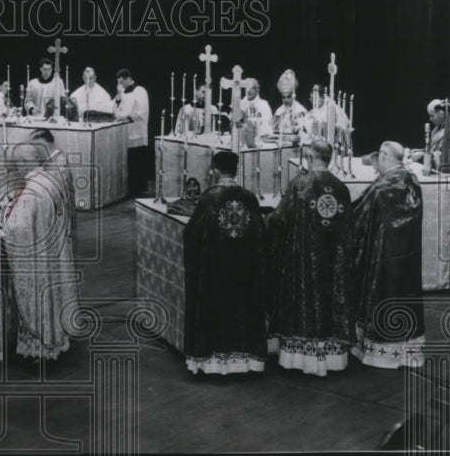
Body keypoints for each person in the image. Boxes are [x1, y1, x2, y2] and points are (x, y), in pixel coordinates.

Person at [265, 140, 355, 376]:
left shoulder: (300, 184)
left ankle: (301, 359)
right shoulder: (341, 188)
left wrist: (263, 220)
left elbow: (280, 220)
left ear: (310, 156)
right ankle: (332, 359)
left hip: (303, 261)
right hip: (333, 261)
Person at [182, 151, 266, 375]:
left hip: (214, 270)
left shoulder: (209, 198)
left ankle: (212, 362)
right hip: (244, 270)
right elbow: (261, 234)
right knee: (242, 309)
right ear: (236, 171)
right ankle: (245, 361)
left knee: (215, 311)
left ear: (215, 171)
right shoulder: (249, 198)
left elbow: (192, 234)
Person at [351, 141, 424, 369]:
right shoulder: (411, 179)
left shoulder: (384, 186)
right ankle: (406, 351)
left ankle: (379, 351)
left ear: (383, 156)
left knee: (384, 294)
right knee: (405, 295)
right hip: (408, 255)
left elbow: (358, 214)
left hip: (383, 255)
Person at [3, 141, 79, 360]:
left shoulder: (31, 192)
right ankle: (55, 338)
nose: (17, 170)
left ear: (27, 163)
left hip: (38, 260)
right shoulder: (51, 180)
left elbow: (17, 229)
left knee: (39, 301)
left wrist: (5, 221)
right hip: (54, 253)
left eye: (18, 165)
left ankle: (40, 346)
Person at [114, 68, 150, 197]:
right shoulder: (123, 92)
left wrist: (127, 117)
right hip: (125, 131)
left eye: (122, 82)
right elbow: (117, 109)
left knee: (137, 160)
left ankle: (138, 189)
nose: (120, 85)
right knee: (128, 161)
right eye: (118, 82)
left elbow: (142, 112)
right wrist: (118, 97)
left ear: (128, 79)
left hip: (137, 130)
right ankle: (129, 188)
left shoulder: (140, 91)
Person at [409, 99, 450, 166]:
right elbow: (432, 149)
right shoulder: (437, 129)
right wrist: (421, 151)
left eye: (432, 116)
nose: (430, 119)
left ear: (441, 114)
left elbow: (449, 157)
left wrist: (423, 156)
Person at [271, 70, 307, 135]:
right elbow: (273, 129)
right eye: (283, 97)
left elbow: (303, 129)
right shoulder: (279, 111)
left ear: (293, 97)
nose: (286, 100)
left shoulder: (300, 110)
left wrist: (294, 121)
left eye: (288, 97)